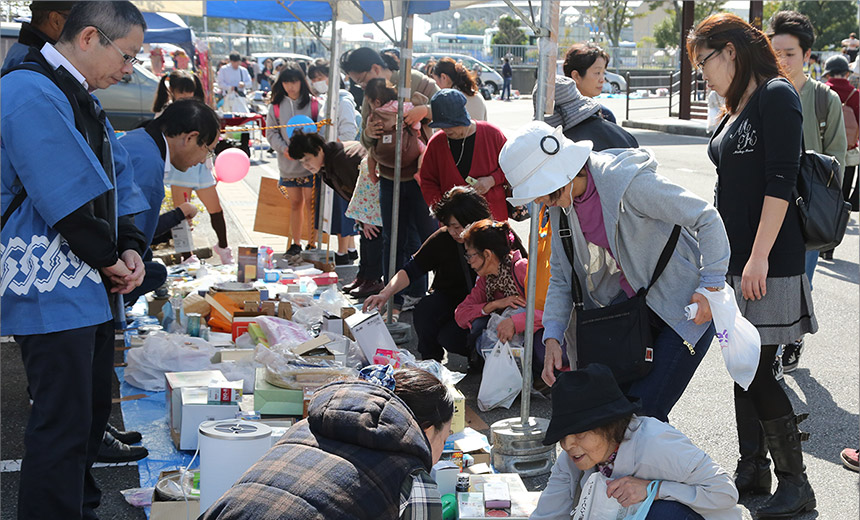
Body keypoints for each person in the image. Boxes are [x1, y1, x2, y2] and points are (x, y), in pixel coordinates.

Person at [1, 3, 149, 517]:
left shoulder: (77, 94)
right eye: (127, 55)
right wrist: (114, 256)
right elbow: (61, 192)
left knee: (83, 421)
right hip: (47, 283)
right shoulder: (28, 88)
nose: (130, 69)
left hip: (84, 283)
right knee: (62, 423)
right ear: (90, 37)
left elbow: (118, 179)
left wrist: (130, 245)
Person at [500, 121, 729, 425]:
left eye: (541, 193)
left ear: (561, 175)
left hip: (684, 305)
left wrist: (711, 286)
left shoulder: (628, 184)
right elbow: (560, 276)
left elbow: (706, 217)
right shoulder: (561, 207)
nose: (539, 202)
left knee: (646, 412)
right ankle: (635, 469)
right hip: (634, 310)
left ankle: (670, 469)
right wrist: (552, 336)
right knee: (614, 409)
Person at [689, 13, 817, 518]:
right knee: (743, 368)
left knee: (760, 371)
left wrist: (759, 256)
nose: (703, 74)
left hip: (768, 262)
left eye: (705, 62)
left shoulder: (776, 96)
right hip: (736, 264)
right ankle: (752, 469)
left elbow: (781, 180)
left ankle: (796, 483)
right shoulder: (736, 106)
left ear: (731, 52)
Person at [200, 366, 454, 519]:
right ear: (426, 430)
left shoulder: (304, 428)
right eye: (445, 438)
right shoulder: (413, 478)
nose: (443, 449)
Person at [530, 364, 741, 520]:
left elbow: (725, 492)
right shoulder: (575, 455)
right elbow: (549, 513)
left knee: (662, 515)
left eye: (579, 434)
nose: (567, 445)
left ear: (609, 426)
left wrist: (653, 489)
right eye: (563, 435)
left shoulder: (655, 443)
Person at [767, 10, 845, 374]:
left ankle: (791, 341)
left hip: (803, 213)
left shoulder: (823, 99)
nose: (781, 60)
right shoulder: (759, 93)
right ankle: (770, 350)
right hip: (766, 206)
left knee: (801, 281)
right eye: (775, 51)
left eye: (789, 53)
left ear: (807, 56)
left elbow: (838, 158)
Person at [341, 48, 438, 309]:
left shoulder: (416, 80)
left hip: (419, 174)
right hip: (387, 173)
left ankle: (419, 292)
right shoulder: (369, 93)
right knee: (391, 236)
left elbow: (449, 107)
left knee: (422, 235)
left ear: (374, 68)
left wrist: (424, 111)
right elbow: (364, 137)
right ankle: (392, 294)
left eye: (360, 80)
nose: (360, 86)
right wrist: (370, 134)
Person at [364, 187, 492, 362]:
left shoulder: (495, 236)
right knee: (426, 310)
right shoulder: (443, 238)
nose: (454, 232)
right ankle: (430, 362)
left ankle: (481, 358)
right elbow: (411, 270)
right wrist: (385, 294)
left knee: (453, 337)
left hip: (488, 304)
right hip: (451, 299)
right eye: (449, 227)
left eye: (457, 226)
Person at [119, 99, 221, 305]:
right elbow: (131, 237)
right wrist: (177, 215)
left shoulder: (140, 141)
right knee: (155, 272)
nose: (203, 161)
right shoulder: (148, 163)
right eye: (208, 151)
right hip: (103, 264)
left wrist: (174, 221)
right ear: (191, 138)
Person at [454, 219, 556, 382]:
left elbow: (552, 311)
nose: (469, 261)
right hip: (508, 339)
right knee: (474, 331)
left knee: (541, 347)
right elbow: (460, 315)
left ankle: (538, 377)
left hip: (535, 333)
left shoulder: (521, 269)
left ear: (487, 254)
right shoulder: (485, 280)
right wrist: (494, 305)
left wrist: (516, 322)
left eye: (470, 255)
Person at [152, 69, 233, 264]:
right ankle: (186, 256)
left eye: (190, 90)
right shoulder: (167, 112)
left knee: (216, 208)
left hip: (201, 167)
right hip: (180, 169)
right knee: (181, 214)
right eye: (182, 91)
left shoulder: (199, 109)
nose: (186, 95)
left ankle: (223, 247)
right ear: (172, 90)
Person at [418, 89, 508, 222]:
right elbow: (428, 181)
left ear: (462, 117)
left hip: (492, 218)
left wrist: (492, 180)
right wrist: (442, 211)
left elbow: (513, 168)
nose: (446, 129)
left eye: (450, 125)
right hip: (454, 223)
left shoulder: (492, 134)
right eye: (441, 125)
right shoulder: (436, 142)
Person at [307, 58, 359, 265]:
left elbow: (348, 133)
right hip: (330, 162)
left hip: (340, 162)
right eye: (314, 79)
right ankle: (351, 249)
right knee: (338, 208)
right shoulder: (328, 100)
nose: (317, 82)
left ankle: (343, 251)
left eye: (320, 77)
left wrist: (328, 147)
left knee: (342, 209)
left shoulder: (342, 101)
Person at [287, 131, 366, 267]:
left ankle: (371, 280)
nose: (306, 165)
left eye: (307, 159)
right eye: (302, 162)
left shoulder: (340, 160)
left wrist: (365, 217)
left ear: (318, 150)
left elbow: (361, 190)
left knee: (374, 241)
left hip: (379, 197)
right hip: (369, 203)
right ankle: (366, 277)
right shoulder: (326, 164)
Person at [266, 62, 320, 257]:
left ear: (301, 82)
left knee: (311, 203)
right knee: (295, 203)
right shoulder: (275, 107)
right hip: (287, 163)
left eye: (294, 82)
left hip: (311, 165)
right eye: (286, 82)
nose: (290, 86)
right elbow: (271, 134)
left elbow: (321, 128)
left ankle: (312, 243)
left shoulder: (314, 104)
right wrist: (283, 148)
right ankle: (295, 243)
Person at [822, 55, 860, 248]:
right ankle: (832, 244)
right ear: (846, 73)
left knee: (821, 198)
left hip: (822, 153)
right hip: (848, 153)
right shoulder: (856, 94)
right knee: (841, 199)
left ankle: (820, 242)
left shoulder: (823, 92)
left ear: (828, 72)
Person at [343, 157, 385, 298]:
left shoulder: (385, 152)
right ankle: (363, 276)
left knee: (374, 243)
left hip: (376, 208)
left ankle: (372, 279)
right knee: (365, 242)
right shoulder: (372, 151)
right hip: (367, 205)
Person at [1, 0, 76, 74]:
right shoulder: (31, 62)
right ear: (56, 20)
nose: (80, 28)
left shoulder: (24, 53)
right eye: (76, 20)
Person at [562, 42, 617, 123]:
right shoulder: (557, 114)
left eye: (603, 73)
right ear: (576, 76)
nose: (602, 80)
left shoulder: (605, 115)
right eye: (597, 73)